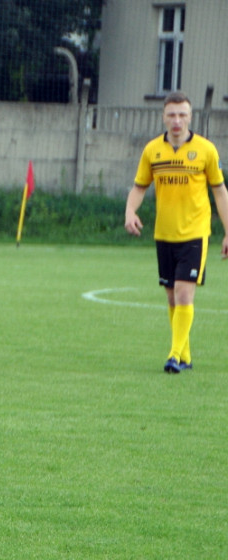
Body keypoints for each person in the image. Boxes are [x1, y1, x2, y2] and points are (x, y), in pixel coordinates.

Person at [125, 91, 228, 373]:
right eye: (172, 114)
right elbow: (139, 186)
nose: (177, 121)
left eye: (182, 114)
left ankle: (173, 355)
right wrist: (130, 211)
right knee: (172, 297)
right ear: (163, 117)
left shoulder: (206, 150)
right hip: (164, 234)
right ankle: (185, 355)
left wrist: (227, 232)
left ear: (190, 117)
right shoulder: (152, 151)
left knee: (184, 294)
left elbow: (219, 192)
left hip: (195, 233)